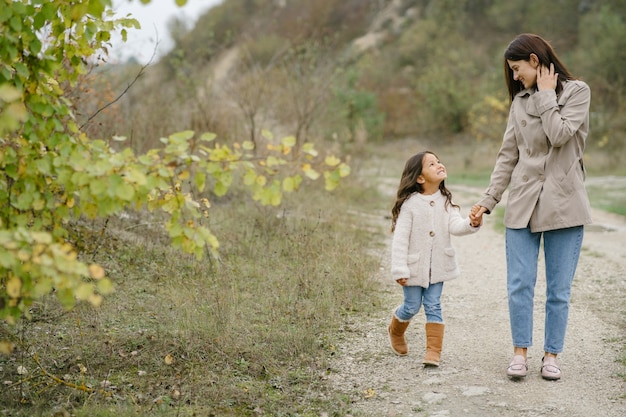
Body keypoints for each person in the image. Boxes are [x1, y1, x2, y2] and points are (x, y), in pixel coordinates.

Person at [471, 33, 592, 381]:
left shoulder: (577, 92)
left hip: (565, 206)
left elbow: (560, 135)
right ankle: (519, 353)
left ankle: (551, 355)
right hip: (522, 205)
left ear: (535, 62)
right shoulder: (518, 102)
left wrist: (545, 96)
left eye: (516, 68)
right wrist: (487, 200)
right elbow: (507, 156)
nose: (513, 77)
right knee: (519, 283)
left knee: (558, 289)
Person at [388, 151, 481, 366]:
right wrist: (400, 269)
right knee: (411, 306)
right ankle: (395, 330)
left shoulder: (445, 201)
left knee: (433, 305)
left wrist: (472, 222)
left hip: (438, 267)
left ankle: (433, 352)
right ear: (420, 178)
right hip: (413, 268)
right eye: (432, 164)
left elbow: (456, 226)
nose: (439, 164)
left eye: (439, 161)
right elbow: (400, 239)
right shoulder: (410, 204)